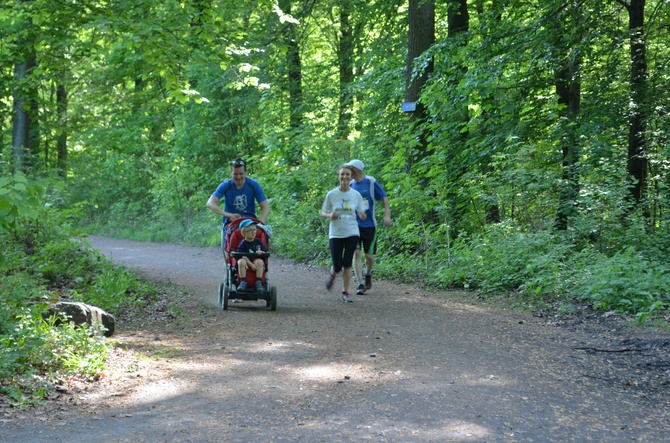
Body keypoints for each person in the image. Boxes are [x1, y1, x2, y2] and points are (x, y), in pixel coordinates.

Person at [345, 159, 392, 295]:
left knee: (369, 256)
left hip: (369, 225)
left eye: (350, 169)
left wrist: (387, 215)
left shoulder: (370, 182)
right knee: (356, 253)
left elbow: (384, 197)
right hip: (354, 226)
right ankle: (360, 283)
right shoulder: (351, 185)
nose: (348, 172)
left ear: (356, 170)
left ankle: (368, 273)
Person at [321, 165, 367, 302]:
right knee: (337, 265)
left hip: (352, 231)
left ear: (351, 177)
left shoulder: (356, 195)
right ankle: (332, 275)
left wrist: (363, 215)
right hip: (335, 233)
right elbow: (323, 212)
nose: (345, 177)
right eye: (342, 174)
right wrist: (329, 216)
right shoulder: (332, 194)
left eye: (347, 174)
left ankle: (345, 292)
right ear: (338, 176)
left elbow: (361, 211)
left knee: (347, 263)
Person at [206, 158, 270, 257]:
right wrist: (228, 215)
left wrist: (260, 223)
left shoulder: (253, 185)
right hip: (231, 223)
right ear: (231, 172)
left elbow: (265, 207)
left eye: (241, 174)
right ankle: (230, 265)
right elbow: (210, 203)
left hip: (249, 221)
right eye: (235, 174)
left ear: (245, 172)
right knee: (228, 250)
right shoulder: (225, 185)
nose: (238, 177)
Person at [236, 219, 268, 291]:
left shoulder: (258, 242)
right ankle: (243, 281)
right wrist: (251, 265)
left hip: (256, 260)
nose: (253, 232)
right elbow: (241, 255)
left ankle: (258, 281)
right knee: (241, 261)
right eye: (249, 230)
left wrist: (261, 252)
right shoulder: (242, 244)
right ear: (243, 233)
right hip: (246, 262)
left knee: (260, 262)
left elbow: (265, 251)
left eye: (254, 230)